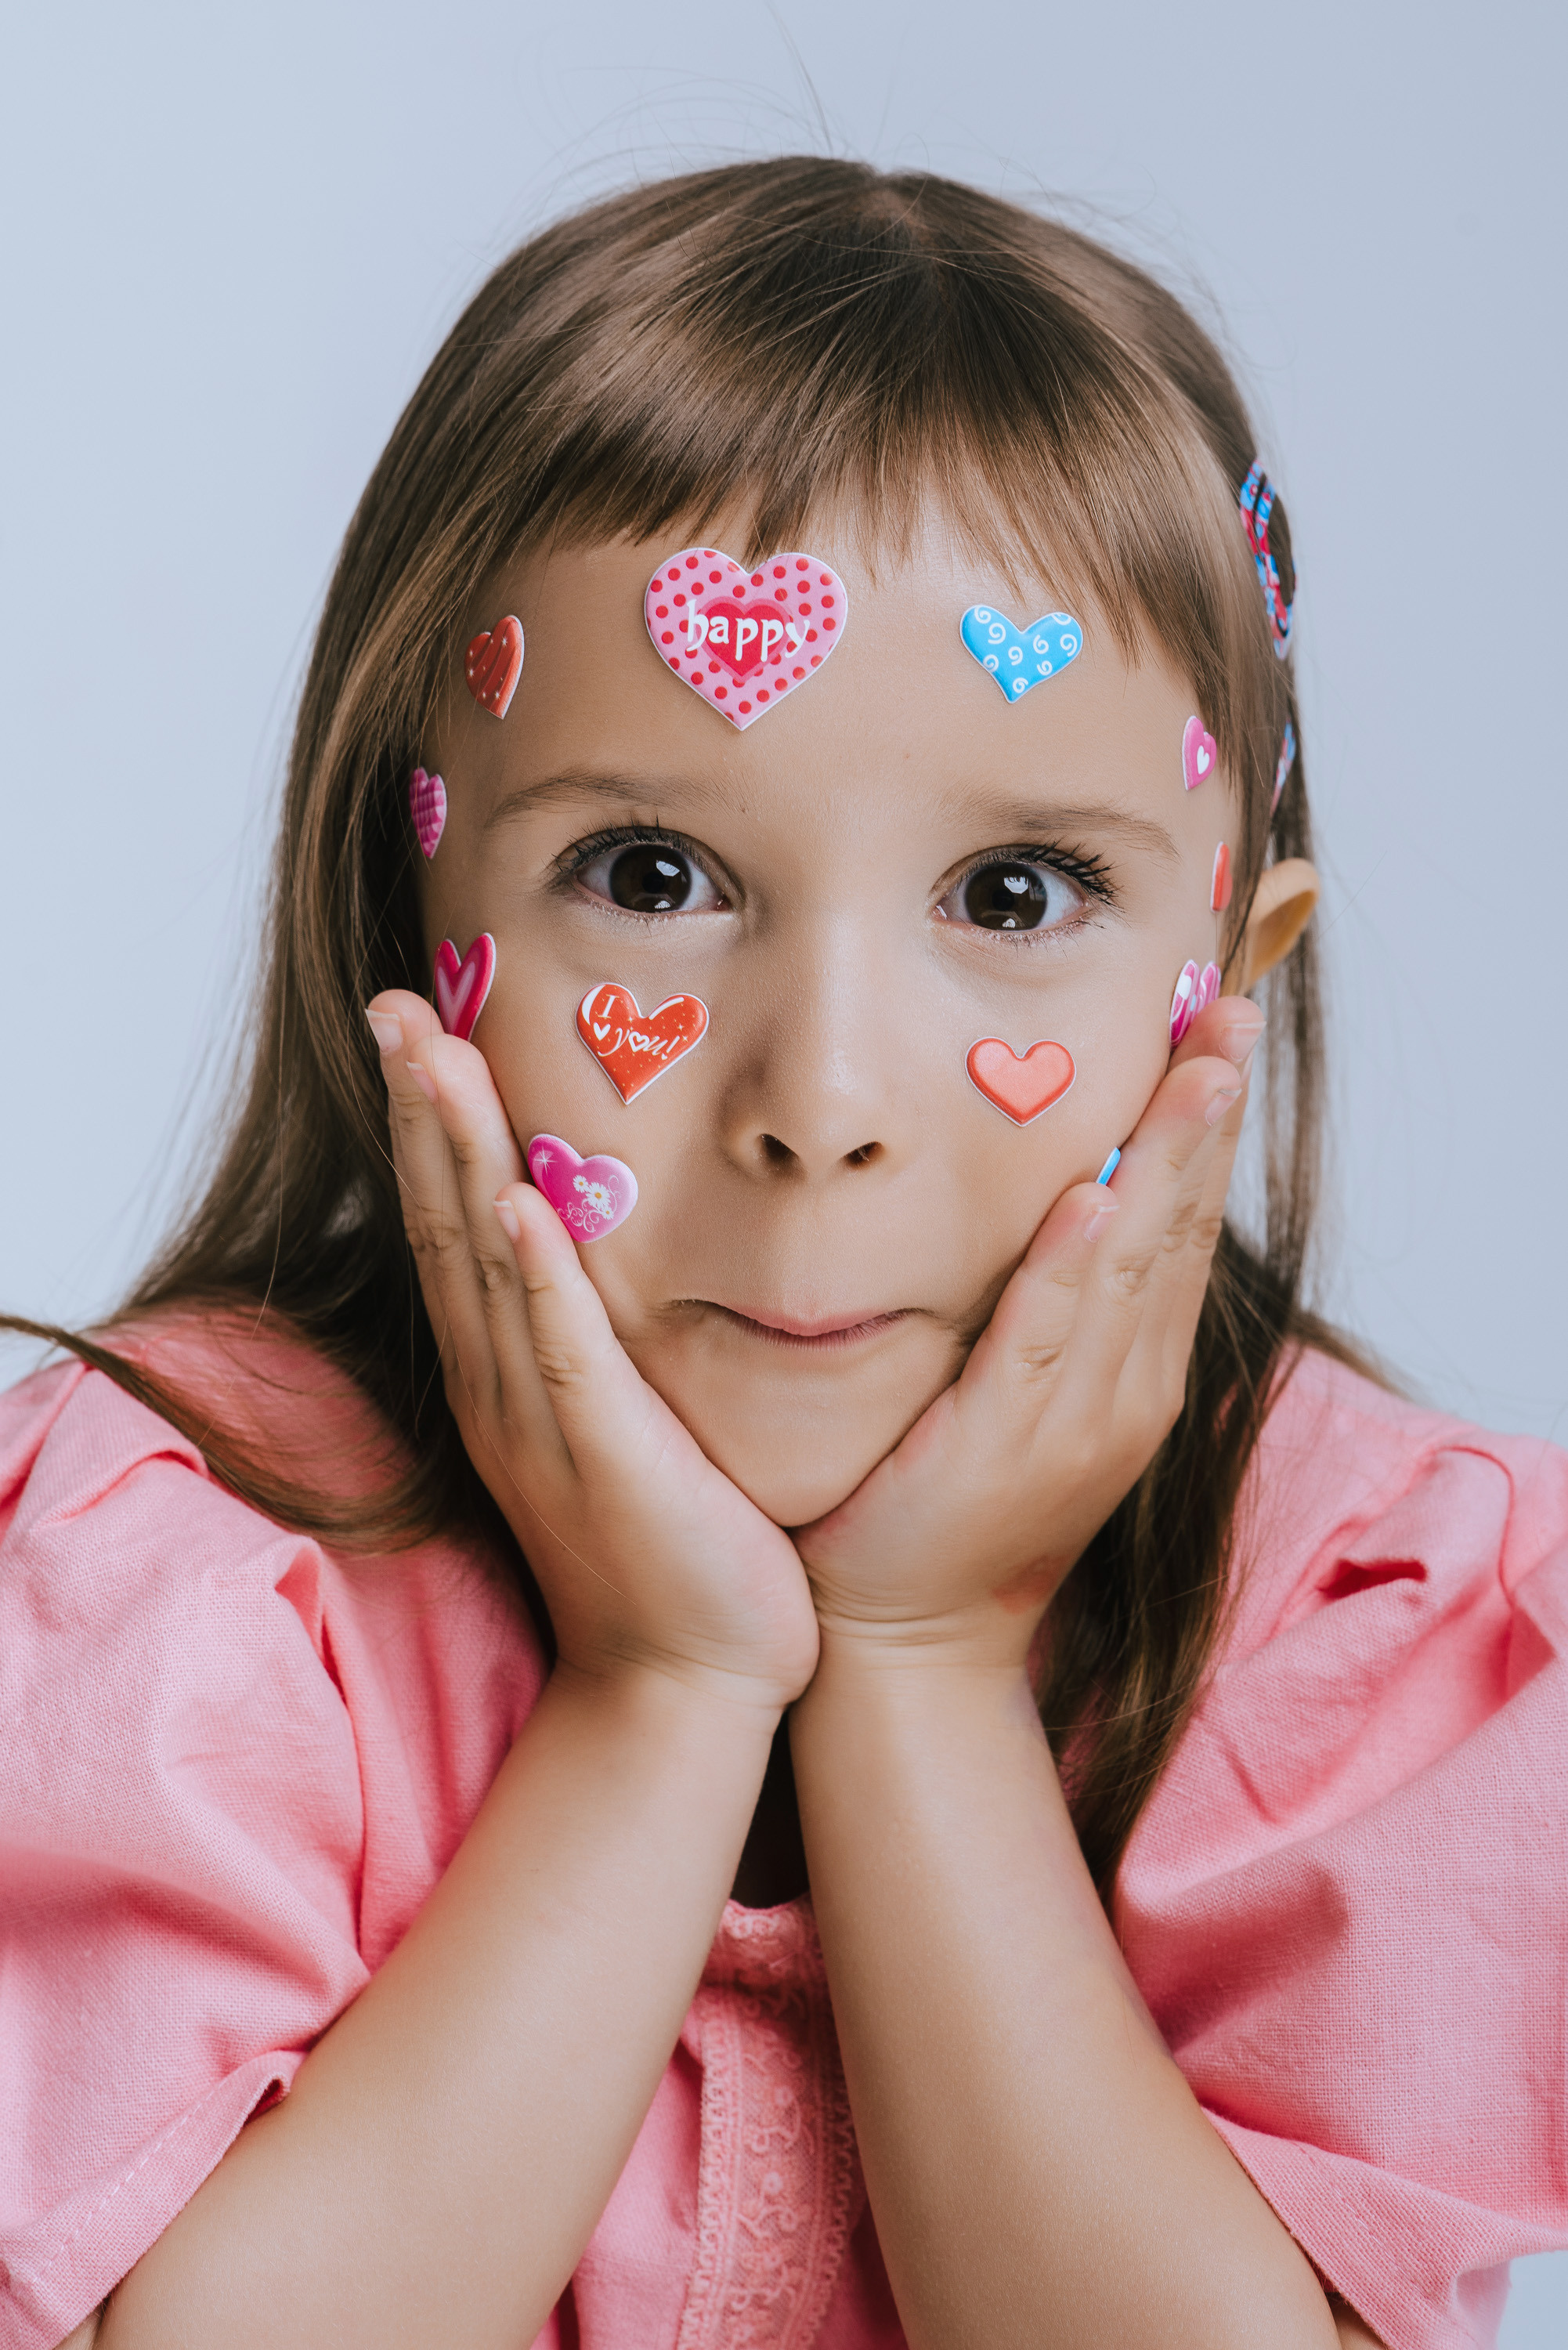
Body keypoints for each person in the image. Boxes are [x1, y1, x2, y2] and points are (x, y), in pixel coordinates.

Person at [2, 159, 1562, 2350]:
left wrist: (920, 1670)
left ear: (1228, 978)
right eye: (649, 873)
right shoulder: (181, 1575)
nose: (818, 1100)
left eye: (1014, 898)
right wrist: (659, 1690)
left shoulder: (1364, 1624)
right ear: (409, 918)